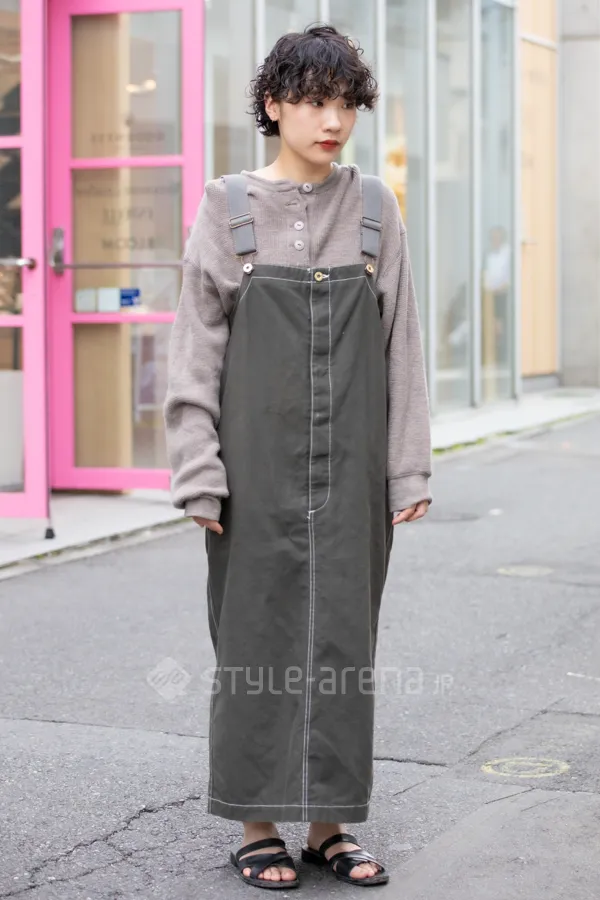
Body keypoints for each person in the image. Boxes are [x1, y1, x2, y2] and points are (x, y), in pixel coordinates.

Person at [163, 23, 432, 890]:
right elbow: (195, 349)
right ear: (274, 105)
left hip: (352, 467)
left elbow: (401, 347)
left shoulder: (375, 209)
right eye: (314, 101)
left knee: (344, 641)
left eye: (346, 103)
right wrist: (198, 472)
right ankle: (256, 822)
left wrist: (408, 468)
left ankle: (328, 826)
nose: (333, 121)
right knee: (252, 637)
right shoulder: (227, 208)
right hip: (252, 470)